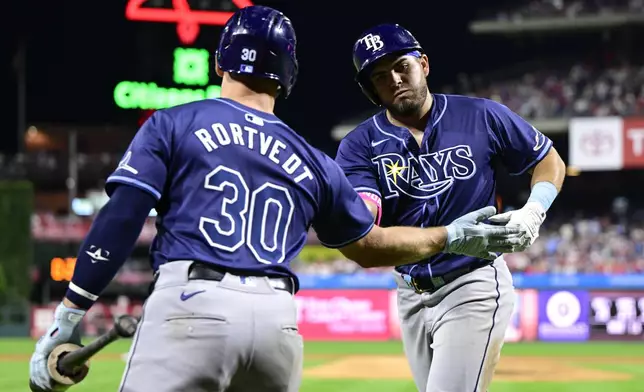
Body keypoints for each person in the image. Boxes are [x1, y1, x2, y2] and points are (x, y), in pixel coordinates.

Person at [28, 8, 522, 392]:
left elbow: (120, 219)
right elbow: (370, 245)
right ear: (288, 76)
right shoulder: (312, 158)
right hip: (278, 327)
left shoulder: (174, 123)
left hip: (191, 305)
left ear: (219, 61)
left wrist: (68, 318)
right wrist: (453, 234)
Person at [336, 23, 567, 392]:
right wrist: (351, 217)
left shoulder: (482, 115)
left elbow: (548, 159)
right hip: (410, 292)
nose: (394, 79)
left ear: (423, 64)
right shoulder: (359, 146)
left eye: (402, 66)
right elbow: (366, 217)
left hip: (472, 281)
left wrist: (534, 209)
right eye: (380, 76)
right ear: (370, 90)